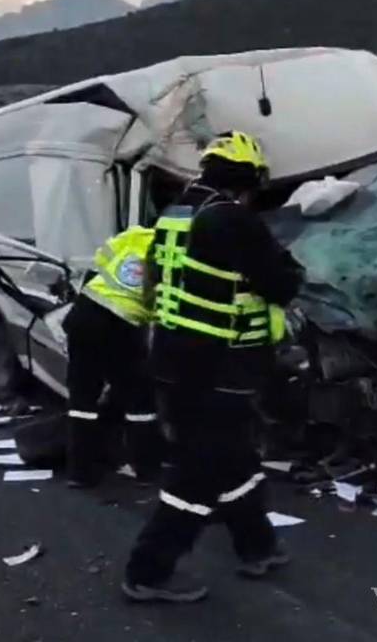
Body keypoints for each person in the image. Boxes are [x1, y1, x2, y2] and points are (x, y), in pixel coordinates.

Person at [122, 131, 305, 603]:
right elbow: (281, 284)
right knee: (199, 473)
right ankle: (148, 571)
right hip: (219, 367)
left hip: (171, 359)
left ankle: (258, 546)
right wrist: (288, 266)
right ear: (250, 179)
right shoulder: (233, 219)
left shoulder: (174, 215)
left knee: (233, 457)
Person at [63, 225, 166, 488]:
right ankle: (147, 469)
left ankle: (80, 473)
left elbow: (101, 259)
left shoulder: (138, 234)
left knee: (82, 397)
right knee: (139, 398)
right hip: (123, 323)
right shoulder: (181, 253)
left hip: (85, 311)